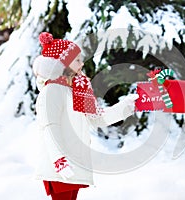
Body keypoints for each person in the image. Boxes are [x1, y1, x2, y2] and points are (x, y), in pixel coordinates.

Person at [33, 32, 138, 200]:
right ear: (63, 63)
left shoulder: (76, 90)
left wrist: (127, 106)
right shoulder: (52, 91)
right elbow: (50, 127)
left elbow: (97, 118)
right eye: (77, 60)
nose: (82, 63)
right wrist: (59, 160)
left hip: (73, 162)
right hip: (61, 165)